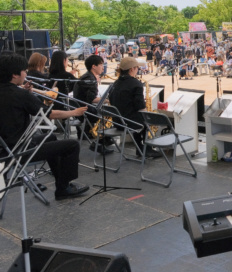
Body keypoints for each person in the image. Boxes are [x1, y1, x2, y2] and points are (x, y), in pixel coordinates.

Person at [0, 53, 89, 200]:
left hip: (4, 149)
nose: (26, 74)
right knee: (72, 145)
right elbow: (50, 114)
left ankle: (60, 181)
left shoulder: (15, 93)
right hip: (18, 150)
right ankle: (63, 187)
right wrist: (74, 111)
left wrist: (27, 93)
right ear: (15, 75)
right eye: (24, 71)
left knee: (51, 137)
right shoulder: (19, 95)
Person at [109, 57, 151, 157]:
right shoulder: (136, 84)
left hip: (117, 122)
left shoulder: (115, 83)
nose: (138, 70)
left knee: (135, 117)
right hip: (130, 124)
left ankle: (140, 147)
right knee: (145, 120)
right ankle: (145, 147)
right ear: (132, 69)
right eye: (137, 67)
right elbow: (140, 107)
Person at [73, 54, 112, 153]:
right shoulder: (90, 79)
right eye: (101, 65)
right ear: (93, 66)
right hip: (85, 111)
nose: (103, 67)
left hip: (80, 109)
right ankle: (99, 143)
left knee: (105, 113)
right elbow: (92, 99)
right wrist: (108, 100)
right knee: (108, 115)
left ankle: (106, 140)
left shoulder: (87, 76)